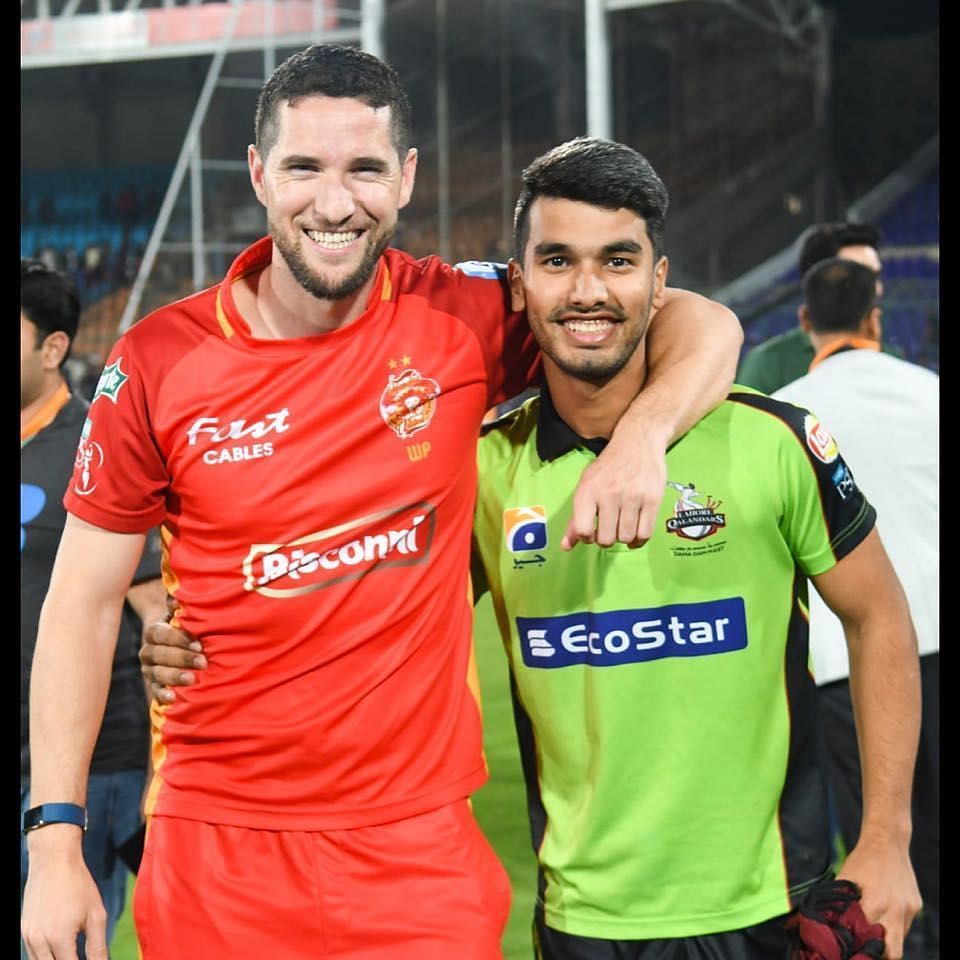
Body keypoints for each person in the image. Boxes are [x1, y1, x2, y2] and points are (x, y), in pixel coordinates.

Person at [20, 45, 744, 960]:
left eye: (363, 168)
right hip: (216, 843)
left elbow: (699, 319)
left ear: (405, 178)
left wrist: (641, 439)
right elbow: (79, 604)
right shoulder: (161, 361)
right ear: (258, 174)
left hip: (417, 851)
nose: (334, 202)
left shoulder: (466, 318)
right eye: (303, 168)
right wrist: (55, 838)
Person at [143, 138, 924, 960]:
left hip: (774, 904)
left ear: (661, 281)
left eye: (620, 261)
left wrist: (886, 838)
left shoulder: (774, 442)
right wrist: (198, 639)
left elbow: (880, 618)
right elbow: (349, 606)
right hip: (584, 924)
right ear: (518, 285)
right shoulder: (479, 473)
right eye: (557, 261)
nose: (589, 290)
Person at [773, 258, 938, 960]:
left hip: (850, 665)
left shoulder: (784, 416)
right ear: (876, 315)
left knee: (872, 863)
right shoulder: (931, 392)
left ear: (805, 321)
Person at [20, 259, 167, 958]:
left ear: (52, 349)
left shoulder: (97, 445)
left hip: (90, 769)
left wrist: (164, 774)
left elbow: (158, 616)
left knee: (63, 944)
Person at [736, 221, 902, 393]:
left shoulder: (891, 358)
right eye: (854, 275)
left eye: (876, 276)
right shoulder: (769, 364)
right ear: (816, 280)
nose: (876, 289)